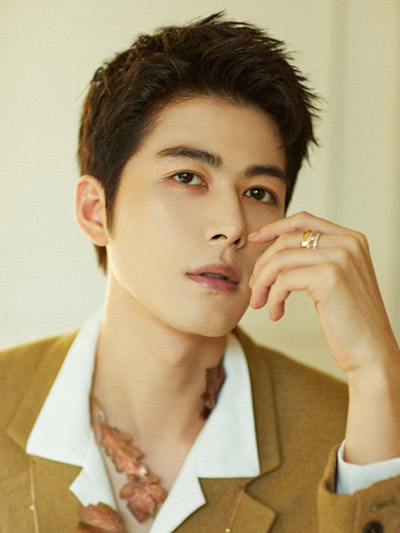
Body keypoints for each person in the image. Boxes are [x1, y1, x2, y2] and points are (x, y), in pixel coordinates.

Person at [1, 12, 400, 533]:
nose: (232, 226)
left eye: (258, 192)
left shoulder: (358, 432)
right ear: (95, 211)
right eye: (188, 177)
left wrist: (377, 374)